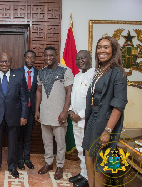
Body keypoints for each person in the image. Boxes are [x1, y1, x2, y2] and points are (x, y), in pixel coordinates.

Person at [82, 36, 127, 187]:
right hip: (93, 120)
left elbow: (119, 105)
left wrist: (107, 131)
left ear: (113, 50)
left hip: (105, 122)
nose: (101, 50)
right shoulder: (100, 70)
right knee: (89, 158)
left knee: (100, 163)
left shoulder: (118, 72)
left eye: (106, 47)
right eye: (99, 47)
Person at [35, 46, 73, 180]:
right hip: (45, 112)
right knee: (47, 142)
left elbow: (69, 92)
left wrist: (65, 111)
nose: (48, 58)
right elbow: (39, 91)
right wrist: (37, 109)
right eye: (46, 56)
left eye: (51, 55)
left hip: (59, 114)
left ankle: (60, 166)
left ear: (56, 55)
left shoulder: (65, 70)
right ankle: (49, 163)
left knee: (61, 143)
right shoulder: (41, 72)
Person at [68, 50, 94, 187]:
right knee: (79, 148)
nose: (80, 61)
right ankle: (83, 174)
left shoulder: (94, 75)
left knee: (87, 150)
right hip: (75, 118)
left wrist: (81, 115)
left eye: (83, 58)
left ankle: (89, 178)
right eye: (78, 59)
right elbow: (73, 96)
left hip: (86, 120)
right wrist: (71, 110)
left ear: (90, 59)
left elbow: (94, 101)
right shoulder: (77, 76)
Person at [17, 50, 38, 170]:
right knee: (19, 136)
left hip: (31, 110)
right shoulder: (17, 72)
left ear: (35, 59)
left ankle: (27, 159)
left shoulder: (38, 73)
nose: (30, 60)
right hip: (20, 110)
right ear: (24, 58)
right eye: (27, 57)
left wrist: (37, 111)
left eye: (32, 58)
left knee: (28, 136)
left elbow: (38, 92)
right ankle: (19, 159)